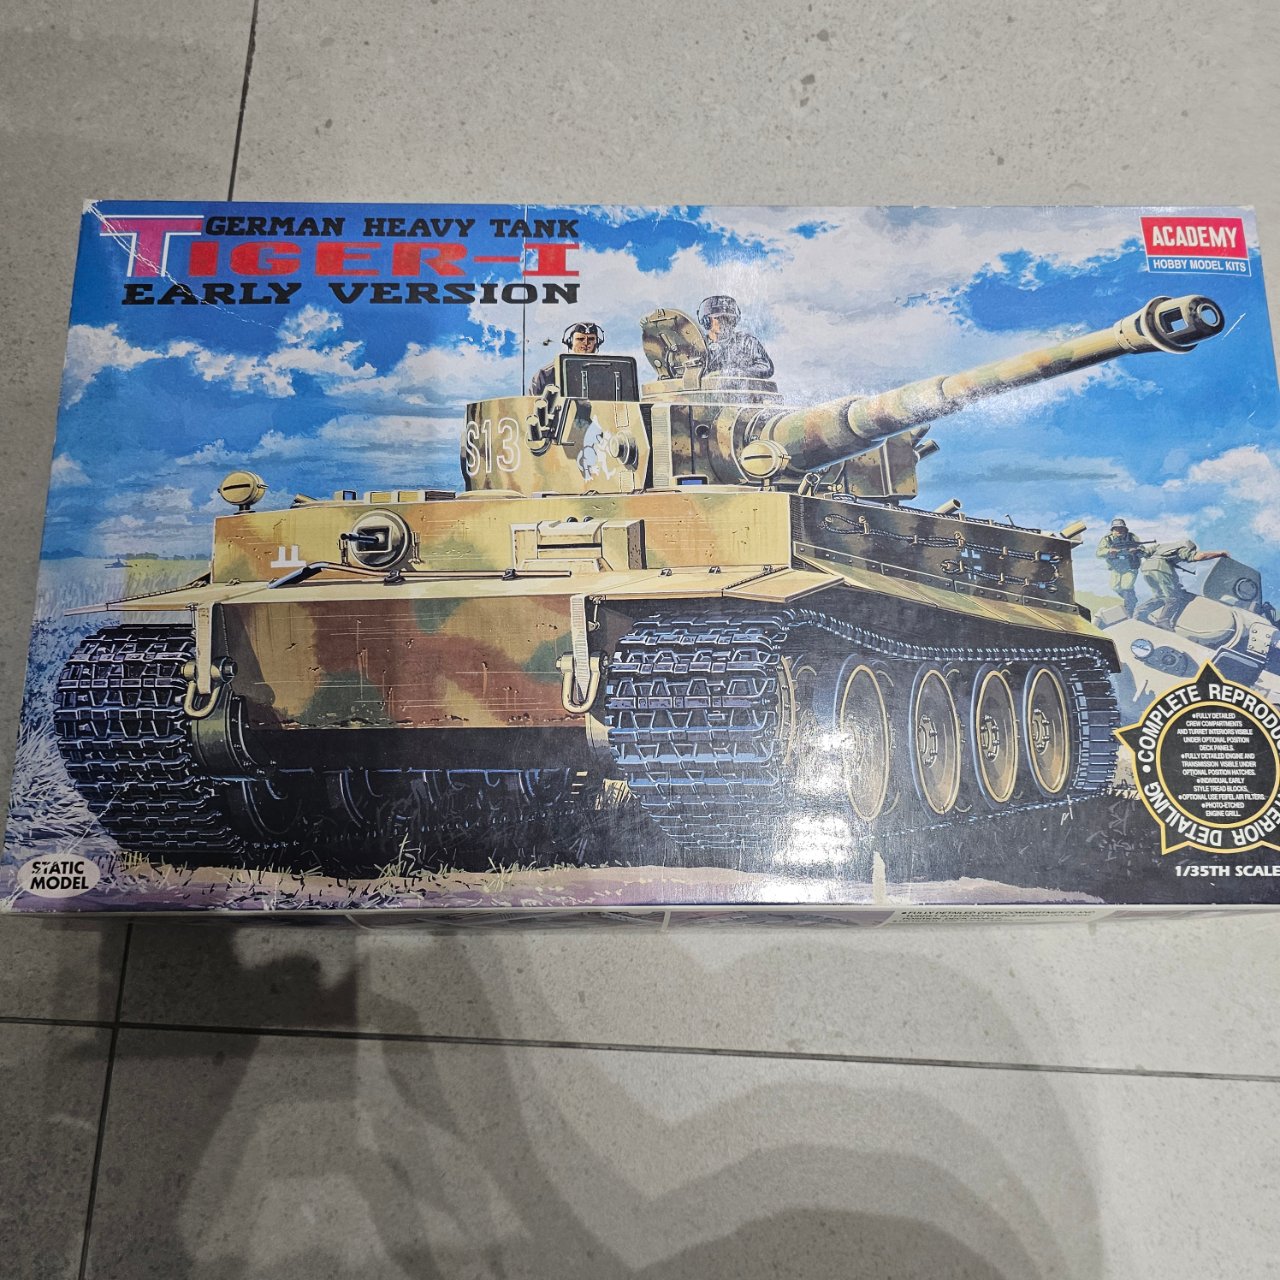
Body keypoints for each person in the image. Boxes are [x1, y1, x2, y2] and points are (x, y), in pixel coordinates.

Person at [1136, 538, 1231, 630]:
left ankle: (1140, 613)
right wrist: (1220, 553)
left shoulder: (1161, 546)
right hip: (1161, 568)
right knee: (1174, 597)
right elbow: (1199, 556)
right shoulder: (1181, 549)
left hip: (1146, 569)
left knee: (1160, 596)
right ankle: (1163, 621)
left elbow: (1143, 553)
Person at [697, 295, 774, 379]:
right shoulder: (699, 346)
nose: (724, 322)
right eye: (718, 318)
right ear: (706, 321)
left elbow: (766, 367)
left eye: (728, 318)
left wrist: (733, 373)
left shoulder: (747, 342)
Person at [529, 321, 605, 395]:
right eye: (580, 339)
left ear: (597, 342)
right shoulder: (545, 374)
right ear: (570, 342)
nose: (586, 343)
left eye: (591, 339)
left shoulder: (606, 371)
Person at [1095, 517, 1145, 617]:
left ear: (1125, 529)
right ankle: (1131, 599)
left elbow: (1142, 551)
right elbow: (1099, 553)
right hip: (1116, 567)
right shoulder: (1107, 539)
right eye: (1116, 528)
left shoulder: (1132, 537)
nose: (1119, 531)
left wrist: (1136, 551)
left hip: (1130, 566)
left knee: (1126, 586)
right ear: (1112, 530)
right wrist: (1109, 551)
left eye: (1121, 528)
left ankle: (1129, 609)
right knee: (1115, 587)